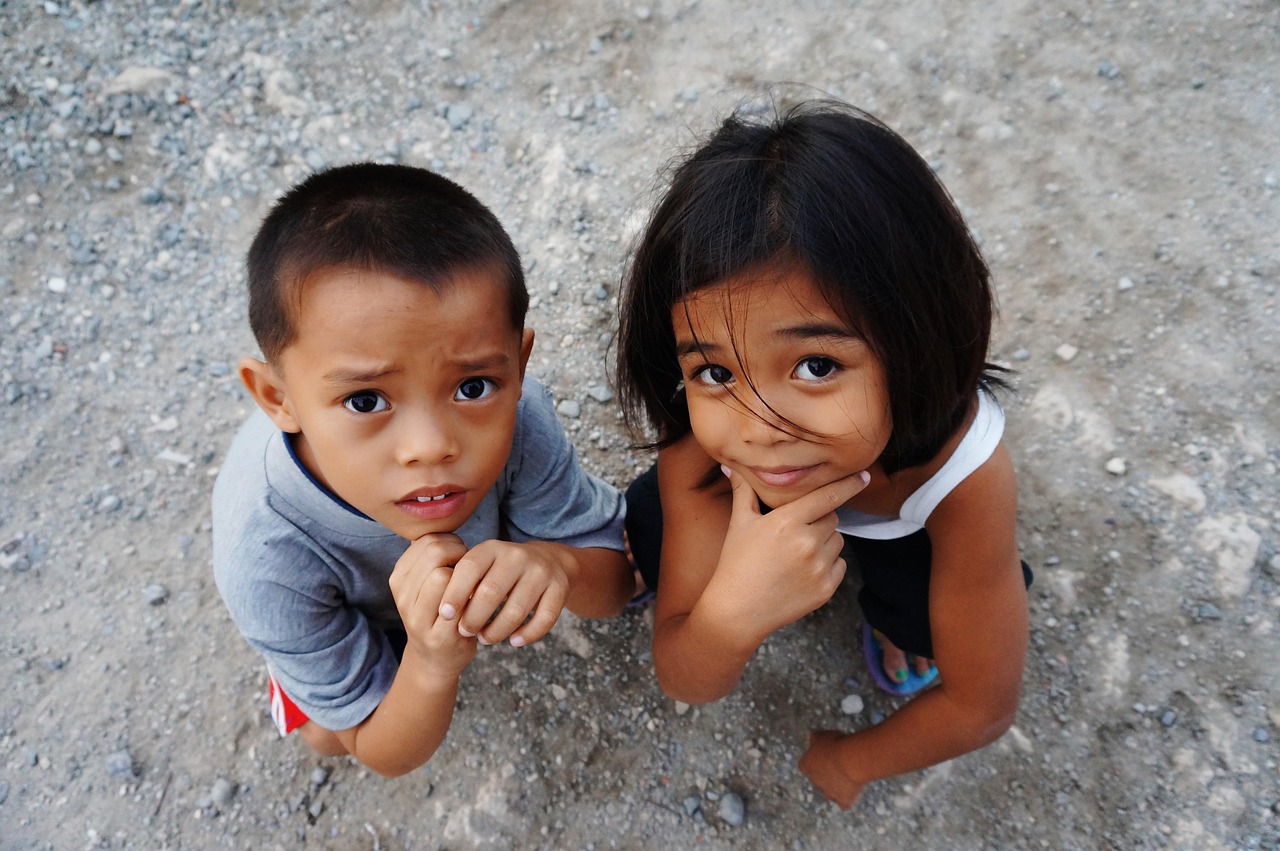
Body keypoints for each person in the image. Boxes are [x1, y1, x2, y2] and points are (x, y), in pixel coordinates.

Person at [616, 100, 1032, 808]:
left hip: (908, 516)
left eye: (815, 365)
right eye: (715, 372)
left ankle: (899, 623)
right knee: (650, 526)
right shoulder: (706, 457)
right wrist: (729, 616)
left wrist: (851, 760)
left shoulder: (963, 474)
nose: (760, 425)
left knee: (937, 613)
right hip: (733, 509)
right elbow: (686, 673)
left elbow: (982, 705)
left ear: (915, 341)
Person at [212, 163, 632, 777]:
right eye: (364, 401)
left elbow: (616, 581)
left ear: (518, 366)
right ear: (278, 398)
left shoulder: (523, 418)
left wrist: (558, 563)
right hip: (358, 613)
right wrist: (431, 663)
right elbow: (383, 754)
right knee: (331, 736)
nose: (430, 447)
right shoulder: (268, 558)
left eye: (473, 386)